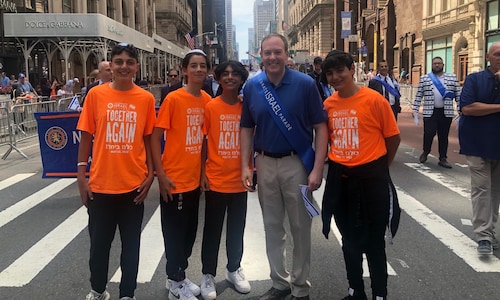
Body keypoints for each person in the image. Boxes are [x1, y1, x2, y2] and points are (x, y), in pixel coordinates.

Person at [240, 33, 328, 300]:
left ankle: (300, 288)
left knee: (300, 228)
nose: (272, 57)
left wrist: (318, 167)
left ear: (287, 54)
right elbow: (246, 127)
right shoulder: (253, 86)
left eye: (277, 52)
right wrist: (246, 165)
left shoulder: (305, 84)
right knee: (272, 226)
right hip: (264, 163)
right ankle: (279, 283)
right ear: (260, 55)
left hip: (297, 164)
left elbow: (321, 127)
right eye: (267, 53)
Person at [76, 42, 157, 300]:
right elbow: (86, 136)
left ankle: (127, 294)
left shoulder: (145, 99)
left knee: (131, 246)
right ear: (111, 65)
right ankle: (98, 290)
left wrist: (151, 174)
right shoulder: (96, 96)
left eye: (129, 62)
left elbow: (148, 139)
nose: (124, 66)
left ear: (136, 66)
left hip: (133, 188)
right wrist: (81, 176)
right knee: (99, 247)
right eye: (118, 61)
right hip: (100, 186)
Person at [320, 50, 401, 300]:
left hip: (371, 181)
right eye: (330, 73)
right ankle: (355, 289)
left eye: (340, 71)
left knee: (375, 240)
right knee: (349, 240)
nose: (335, 77)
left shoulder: (374, 100)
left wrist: (378, 167)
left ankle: (380, 293)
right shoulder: (328, 105)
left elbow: (393, 138)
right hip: (340, 181)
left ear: (352, 69)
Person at [151, 49, 212, 300]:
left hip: (193, 180)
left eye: (203, 66)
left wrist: (202, 173)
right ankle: (176, 282)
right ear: (184, 70)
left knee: (188, 233)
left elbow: (205, 140)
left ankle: (175, 276)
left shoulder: (208, 100)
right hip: (173, 178)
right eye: (193, 66)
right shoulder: (174, 99)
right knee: (174, 234)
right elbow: (155, 138)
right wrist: (160, 174)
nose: (198, 70)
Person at [199, 60, 251, 300]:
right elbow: (203, 142)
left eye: (235, 74)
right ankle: (207, 273)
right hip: (216, 178)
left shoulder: (247, 107)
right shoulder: (211, 107)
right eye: (225, 74)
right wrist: (202, 174)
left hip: (240, 178)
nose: (230, 77)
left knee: (236, 228)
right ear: (218, 79)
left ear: (241, 79)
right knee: (212, 229)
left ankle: (233, 268)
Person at [459, 41, 500, 255]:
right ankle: (483, 235)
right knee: (482, 189)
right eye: (497, 54)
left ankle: (489, 231)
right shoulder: (474, 79)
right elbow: (467, 108)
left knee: (495, 191)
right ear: (487, 57)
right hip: (476, 143)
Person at [412, 56, 460, 169]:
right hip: (430, 111)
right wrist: (415, 108)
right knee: (429, 133)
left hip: (445, 112)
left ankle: (443, 158)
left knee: (443, 136)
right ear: (432, 65)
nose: (437, 65)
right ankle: (426, 151)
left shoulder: (452, 78)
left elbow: (458, 94)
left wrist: (460, 108)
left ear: (443, 65)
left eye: (439, 63)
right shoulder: (425, 78)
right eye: (434, 63)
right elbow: (419, 95)